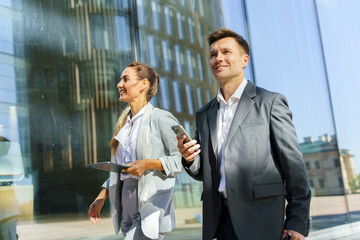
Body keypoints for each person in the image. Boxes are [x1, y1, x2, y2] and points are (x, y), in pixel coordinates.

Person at [177, 28, 311, 240]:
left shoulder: (271, 102)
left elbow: (294, 166)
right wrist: (189, 159)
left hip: (263, 218)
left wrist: (297, 221)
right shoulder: (204, 114)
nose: (218, 58)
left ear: (244, 60)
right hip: (220, 221)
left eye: (226, 52)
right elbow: (205, 172)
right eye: (213, 55)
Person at [88, 62, 183, 240]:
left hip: (150, 202)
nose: (119, 84)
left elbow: (183, 160)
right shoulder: (124, 125)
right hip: (125, 203)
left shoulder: (160, 118)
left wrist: (148, 164)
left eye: (125, 79)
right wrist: (101, 196)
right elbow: (122, 169)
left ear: (143, 84)